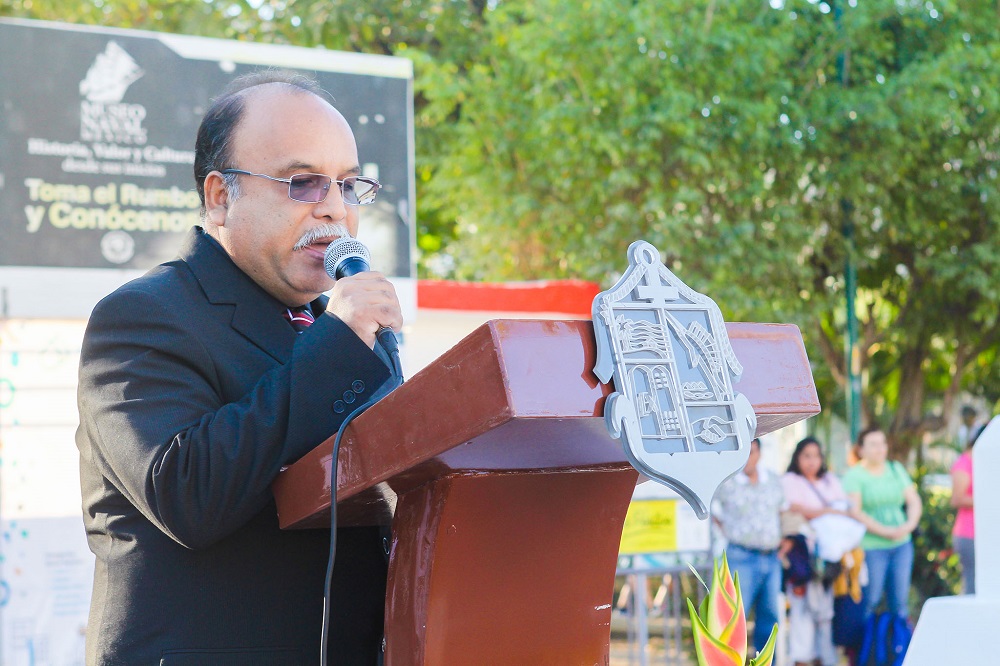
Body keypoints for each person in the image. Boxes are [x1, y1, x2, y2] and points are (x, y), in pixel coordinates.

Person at [75, 71, 403, 665]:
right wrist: (337, 345)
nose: (334, 208)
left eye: (348, 185)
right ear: (220, 197)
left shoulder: (347, 335)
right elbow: (188, 495)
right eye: (303, 183)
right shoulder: (141, 316)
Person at [713, 437, 785, 660]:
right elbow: (709, 510)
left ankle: (766, 662)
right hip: (740, 555)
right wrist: (725, 529)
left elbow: (783, 511)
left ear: (759, 453)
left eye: (751, 452)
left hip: (771, 557)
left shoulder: (772, 479)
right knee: (735, 617)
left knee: (770, 616)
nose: (747, 458)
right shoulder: (726, 482)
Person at [842, 427, 923, 624]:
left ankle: (898, 640)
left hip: (902, 544)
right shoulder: (854, 476)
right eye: (873, 444)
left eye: (882, 443)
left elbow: (913, 500)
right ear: (861, 449)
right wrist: (886, 532)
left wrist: (908, 526)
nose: (880, 448)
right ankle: (867, 641)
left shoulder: (896, 469)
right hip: (871, 547)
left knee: (900, 602)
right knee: (870, 599)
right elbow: (855, 511)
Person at [781, 436, 850, 666]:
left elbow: (843, 510)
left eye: (816, 456)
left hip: (829, 559)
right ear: (797, 458)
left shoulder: (830, 480)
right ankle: (801, 659)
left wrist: (817, 511)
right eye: (806, 456)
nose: (811, 461)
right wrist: (827, 511)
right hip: (802, 558)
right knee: (801, 613)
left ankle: (825, 658)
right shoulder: (790, 480)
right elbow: (794, 509)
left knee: (825, 614)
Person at [951, 422, 984, 594]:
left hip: (984, 533)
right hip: (968, 533)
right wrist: (988, 500)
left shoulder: (985, 461)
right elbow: (957, 498)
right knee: (972, 586)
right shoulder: (964, 463)